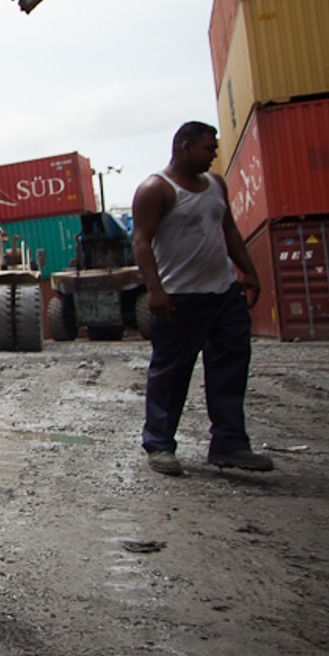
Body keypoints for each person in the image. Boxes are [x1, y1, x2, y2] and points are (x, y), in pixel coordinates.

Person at [131, 120, 273, 475]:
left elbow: (228, 230)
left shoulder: (216, 185)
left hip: (224, 293)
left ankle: (230, 444)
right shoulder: (155, 189)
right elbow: (141, 241)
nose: (214, 154)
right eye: (208, 147)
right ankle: (160, 445)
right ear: (184, 146)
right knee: (171, 373)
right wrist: (155, 289)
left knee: (230, 368)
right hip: (180, 298)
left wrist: (249, 272)